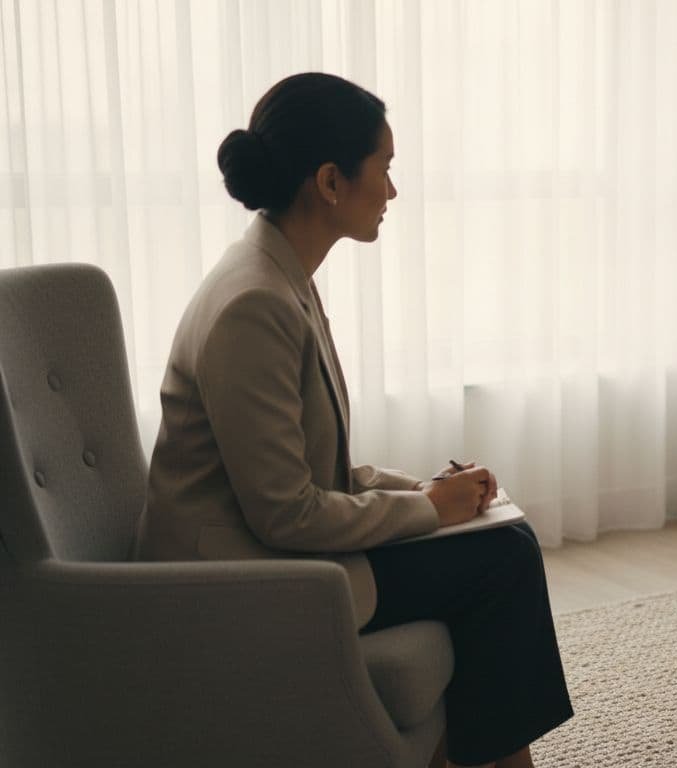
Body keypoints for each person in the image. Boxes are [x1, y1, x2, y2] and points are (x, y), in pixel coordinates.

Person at [134, 72, 571, 768]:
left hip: (269, 549)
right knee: (503, 560)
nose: (393, 191)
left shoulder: (280, 277)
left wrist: (416, 490)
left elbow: (309, 467)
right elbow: (287, 515)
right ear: (331, 181)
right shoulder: (256, 303)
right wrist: (430, 508)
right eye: (385, 168)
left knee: (501, 541)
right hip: (236, 579)